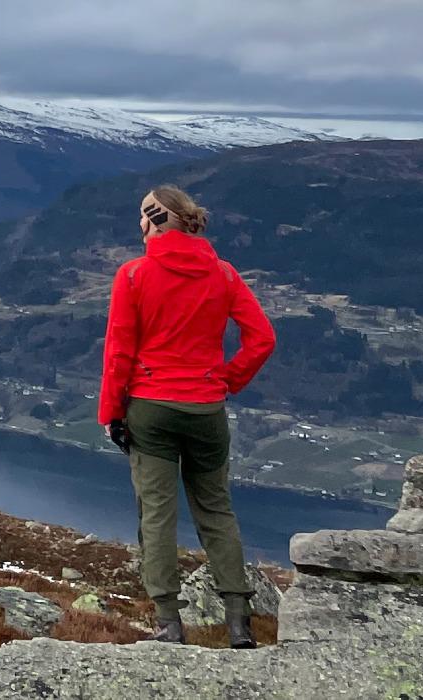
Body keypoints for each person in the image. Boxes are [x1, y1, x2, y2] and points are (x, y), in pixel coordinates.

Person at [99, 185, 275, 648]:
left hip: (151, 409)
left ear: (158, 219)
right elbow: (262, 339)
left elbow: (119, 352)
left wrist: (112, 412)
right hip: (206, 408)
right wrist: (226, 380)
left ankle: (169, 625)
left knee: (157, 513)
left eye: (143, 216)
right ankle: (239, 624)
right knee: (216, 509)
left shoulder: (133, 275)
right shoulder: (224, 275)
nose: (139, 225)